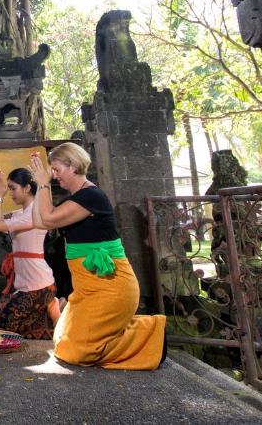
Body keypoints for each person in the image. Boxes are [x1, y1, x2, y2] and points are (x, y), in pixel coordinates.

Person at [29, 142, 166, 369]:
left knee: (75, 351)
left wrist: (44, 185)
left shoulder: (91, 196)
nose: (54, 176)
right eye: (51, 172)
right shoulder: (75, 199)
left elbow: (50, 218)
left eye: (57, 170)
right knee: (61, 340)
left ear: (72, 167)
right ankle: (127, 331)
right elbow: (39, 221)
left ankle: (151, 336)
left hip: (111, 289)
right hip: (87, 290)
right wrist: (39, 185)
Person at [0, 167, 61, 340]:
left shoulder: (35, 213)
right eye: (9, 189)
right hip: (25, 285)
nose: (10, 193)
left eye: (13, 188)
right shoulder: (21, 213)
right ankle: (53, 311)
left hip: (37, 286)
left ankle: (54, 309)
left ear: (26, 188)